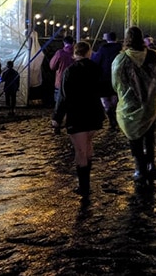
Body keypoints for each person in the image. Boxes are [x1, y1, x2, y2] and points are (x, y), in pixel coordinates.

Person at [112, 26, 156, 187]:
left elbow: (116, 82)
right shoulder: (155, 56)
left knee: (134, 137)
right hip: (151, 103)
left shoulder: (121, 59)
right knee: (149, 135)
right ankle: (151, 164)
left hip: (130, 104)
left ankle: (139, 167)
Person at [51, 41, 105, 202]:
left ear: (75, 53)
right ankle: (86, 182)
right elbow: (102, 88)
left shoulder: (70, 71)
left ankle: (84, 186)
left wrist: (57, 118)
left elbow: (63, 96)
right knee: (88, 146)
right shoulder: (96, 69)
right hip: (94, 113)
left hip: (78, 114)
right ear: (88, 52)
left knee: (80, 151)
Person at [91, 31, 122, 129]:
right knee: (114, 98)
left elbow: (95, 62)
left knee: (105, 100)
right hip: (117, 78)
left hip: (104, 78)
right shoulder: (121, 49)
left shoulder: (102, 49)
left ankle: (111, 118)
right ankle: (114, 117)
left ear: (107, 39)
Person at [49, 35, 75, 107]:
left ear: (64, 43)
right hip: (74, 81)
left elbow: (52, 66)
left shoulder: (60, 53)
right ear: (73, 43)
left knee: (60, 102)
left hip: (61, 80)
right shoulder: (77, 53)